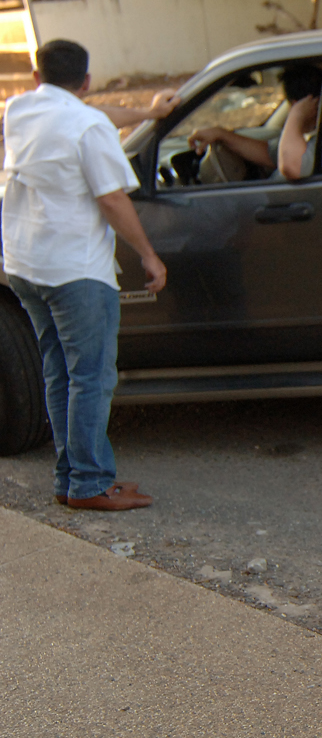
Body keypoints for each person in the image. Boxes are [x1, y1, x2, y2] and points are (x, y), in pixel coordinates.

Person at [2, 39, 167, 512]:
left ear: (37, 78)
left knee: (60, 374)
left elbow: (88, 115)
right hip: (75, 271)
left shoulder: (19, 109)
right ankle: (91, 484)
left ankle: (69, 478)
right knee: (91, 378)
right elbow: (112, 198)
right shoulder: (87, 124)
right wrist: (148, 256)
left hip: (25, 266)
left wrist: (148, 111)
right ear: (87, 82)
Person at [186, 61, 322, 181]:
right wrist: (221, 134)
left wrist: (296, 114)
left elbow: (291, 167)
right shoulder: (304, 139)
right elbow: (268, 154)